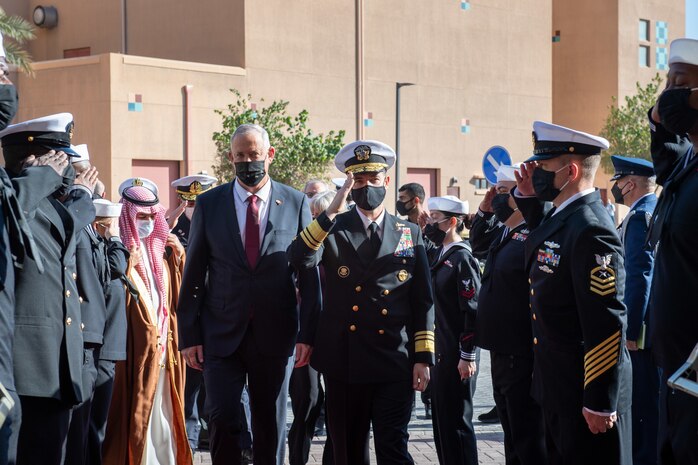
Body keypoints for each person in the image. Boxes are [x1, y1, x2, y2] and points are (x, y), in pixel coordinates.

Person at [177, 124, 320, 465]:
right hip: (221, 332)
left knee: (269, 422)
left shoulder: (296, 202)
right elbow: (194, 273)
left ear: (269, 155)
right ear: (230, 158)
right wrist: (188, 335)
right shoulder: (210, 204)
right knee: (222, 416)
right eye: (240, 155)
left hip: (276, 333)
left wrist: (308, 334)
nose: (247, 161)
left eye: (254, 154)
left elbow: (309, 274)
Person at [288, 140, 435, 465]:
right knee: (348, 452)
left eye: (373, 178)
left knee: (393, 448)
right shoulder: (333, 228)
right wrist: (330, 211)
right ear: (349, 185)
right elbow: (298, 257)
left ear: (386, 180)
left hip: (394, 361)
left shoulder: (408, 232)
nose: (367, 186)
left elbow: (422, 299)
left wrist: (423, 357)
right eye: (359, 180)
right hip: (345, 362)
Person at [514, 121, 632, 465]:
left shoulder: (592, 228)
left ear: (571, 170)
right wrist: (528, 197)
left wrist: (598, 399)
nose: (536, 174)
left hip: (584, 395)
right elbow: (547, 243)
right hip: (559, 387)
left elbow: (606, 322)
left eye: (544, 168)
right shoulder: (566, 216)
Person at [0, 113, 96, 464]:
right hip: (23, 370)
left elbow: (68, 228)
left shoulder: (45, 204)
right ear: (32, 160)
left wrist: (82, 195)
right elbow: (11, 223)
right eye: (57, 158)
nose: (65, 167)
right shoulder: (12, 200)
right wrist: (37, 179)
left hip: (58, 367)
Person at [102, 177, 191, 465]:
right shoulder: (117, 254)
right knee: (136, 419)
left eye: (152, 216)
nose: (148, 222)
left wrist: (179, 257)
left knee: (165, 416)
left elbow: (174, 301)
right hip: (133, 357)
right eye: (140, 216)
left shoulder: (161, 256)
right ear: (127, 215)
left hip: (165, 357)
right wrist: (126, 261)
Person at [471, 164, 547, 464]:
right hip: (500, 349)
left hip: (521, 350)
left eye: (504, 191)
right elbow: (477, 243)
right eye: (497, 191)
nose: (498, 197)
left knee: (527, 435)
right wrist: (484, 208)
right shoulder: (506, 231)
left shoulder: (532, 234)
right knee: (511, 433)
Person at [646, 37, 698, 465]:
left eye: (680, 83)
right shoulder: (688, 163)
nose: (668, 93)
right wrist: (658, 121)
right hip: (676, 367)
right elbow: (667, 157)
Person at [609, 155, 659, 465]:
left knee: (642, 408)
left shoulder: (640, 216)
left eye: (618, 181)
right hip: (652, 328)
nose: (615, 187)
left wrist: (632, 329)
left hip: (641, 333)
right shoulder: (651, 211)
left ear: (630, 183)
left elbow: (640, 275)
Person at [424, 195, 480, 465]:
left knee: (457, 423)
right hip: (440, 351)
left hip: (457, 354)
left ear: (453, 222)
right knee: (442, 422)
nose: (431, 222)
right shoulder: (439, 254)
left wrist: (467, 355)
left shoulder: (462, 258)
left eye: (436, 218)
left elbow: (471, 310)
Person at [62, 144, 107, 465]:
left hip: (91, 337)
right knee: (74, 431)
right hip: (76, 334)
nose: (88, 180)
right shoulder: (67, 217)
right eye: (81, 174)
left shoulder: (84, 219)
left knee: (88, 428)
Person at [287, 189, 337, 465]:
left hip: (337, 337)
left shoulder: (344, 249)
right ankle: (297, 459)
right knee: (306, 403)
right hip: (305, 335)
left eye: (322, 216)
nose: (317, 222)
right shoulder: (305, 247)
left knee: (336, 410)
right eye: (313, 216)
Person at [168, 173, 217, 452]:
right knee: (189, 386)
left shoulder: (217, 223)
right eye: (189, 202)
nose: (194, 207)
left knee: (214, 385)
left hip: (214, 313)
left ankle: (212, 434)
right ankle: (186, 438)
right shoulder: (174, 228)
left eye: (198, 201)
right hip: (184, 316)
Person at [86, 198, 129, 465]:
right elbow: (117, 268)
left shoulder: (103, 247)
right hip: (98, 347)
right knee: (91, 421)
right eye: (108, 224)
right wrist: (114, 239)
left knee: (97, 421)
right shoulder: (100, 249)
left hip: (108, 347)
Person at [168, 173, 217, 250]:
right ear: (180, 200)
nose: (196, 207)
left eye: (200, 203)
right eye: (191, 203)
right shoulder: (169, 226)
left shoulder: (220, 223)